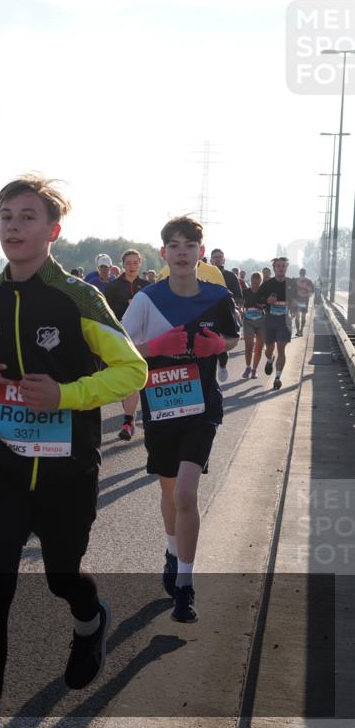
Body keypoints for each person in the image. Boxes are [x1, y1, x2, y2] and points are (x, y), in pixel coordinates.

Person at [0, 175, 146, 728]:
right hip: (2, 467)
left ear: (53, 231)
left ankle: (91, 620)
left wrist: (65, 395)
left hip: (67, 469)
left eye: (27, 217)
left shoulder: (78, 298)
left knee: (63, 576)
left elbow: (132, 371)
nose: (14, 226)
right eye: (7, 217)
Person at [122, 216, 239, 623]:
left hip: (202, 407)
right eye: (174, 245)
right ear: (164, 253)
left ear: (201, 253)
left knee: (187, 494)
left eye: (190, 245)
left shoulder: (218, 296)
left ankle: (186, 586)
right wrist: (154, 346)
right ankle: (172, 553)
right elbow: (120, 350)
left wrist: (217, 345)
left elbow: (232, 336)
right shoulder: (146, 300)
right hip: (162, 407)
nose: (183, 252)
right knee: (170, 492)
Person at [103, 249, 150, 440]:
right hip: (120, 337)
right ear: (122, 265)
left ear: (140, 264)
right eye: (128, 263)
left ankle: (130, 420)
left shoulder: (147, 286)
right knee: (127, 379)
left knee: (136, 378)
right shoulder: (113, 287)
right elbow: (105, 313)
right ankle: (129, 419)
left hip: (143, 338)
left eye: (135, 263)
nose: (131, 266)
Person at [254, 257, 295, 391]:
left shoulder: (291, 284)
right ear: (274, 268)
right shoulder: (267, 284)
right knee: (269, 349)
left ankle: (277, 378)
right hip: (269, 321)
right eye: (278, 266)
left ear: (286, 268)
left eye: (283, 266)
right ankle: (270, 360)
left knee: (281, 350)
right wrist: (267, 300)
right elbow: (256, 300)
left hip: (284, 321)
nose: (281, 268)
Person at [208, 249, 243, 382]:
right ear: (211, 260)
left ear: (224, 260)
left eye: (219, 257)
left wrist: (235, 307)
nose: (217, 259)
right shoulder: (202, 274)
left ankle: (222, 364)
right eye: (215, 257)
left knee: (222, 343)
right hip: (208, 312)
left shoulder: (230, 276)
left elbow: (239, 297)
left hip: (226, 312)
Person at [240, 272, 265, 379]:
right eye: (253, 283)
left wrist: (263, 305)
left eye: (257, 283)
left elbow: (269, 305)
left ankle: (254, 370)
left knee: (259, 348)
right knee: (248, 346)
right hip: (248, 321)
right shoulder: (245, 291)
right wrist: (241, 310)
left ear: (261, 282)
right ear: (250, 281)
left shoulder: (264, 292)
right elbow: (240, 304)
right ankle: (248, 367)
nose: (255, 285)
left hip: (261, 321)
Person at [294, 268, 315, 337]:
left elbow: (291, 291)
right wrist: (307, 295)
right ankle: (301, 331)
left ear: (299, 273)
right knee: (303, 317)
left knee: (297, 317)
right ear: (305, 273)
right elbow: (312, 291)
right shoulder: (309, 281)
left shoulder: (295, 280)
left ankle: (297, 331)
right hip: (305, 302)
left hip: (296, 301)